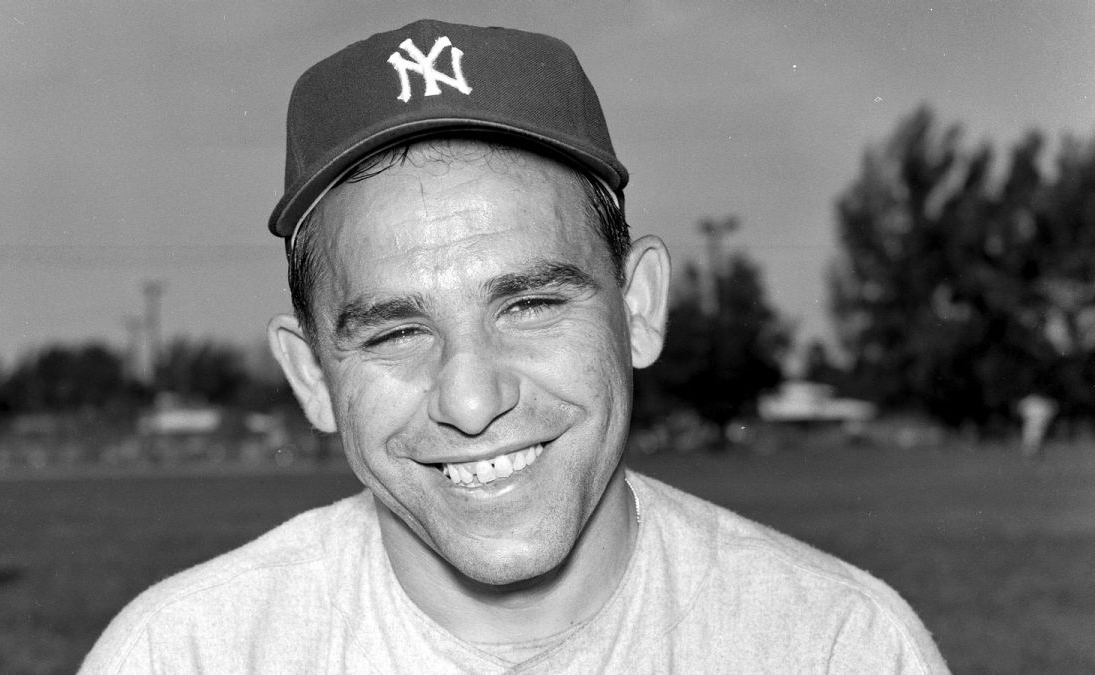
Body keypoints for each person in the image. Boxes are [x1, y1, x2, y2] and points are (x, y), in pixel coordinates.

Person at [82, 19, 948, 673]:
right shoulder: (183, 655)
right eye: (395, 331)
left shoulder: (837, 646)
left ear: (639, 307)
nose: (471, 397)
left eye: (530, 304)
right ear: (311, 374)